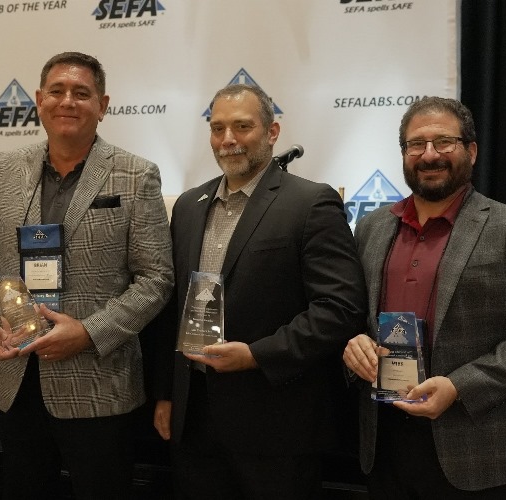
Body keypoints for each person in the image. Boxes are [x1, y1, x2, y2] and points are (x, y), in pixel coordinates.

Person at [0, 51, 174, 499]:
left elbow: (156, 279)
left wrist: (88, 332)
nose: (67, 101)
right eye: (56, 91)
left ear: (103, 105)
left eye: (81, 93)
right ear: (39, 101)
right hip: (15, 380)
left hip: (99, 385)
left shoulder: (137, 175)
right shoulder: (3, 168)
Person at [152, 83, 367, 499]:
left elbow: (339, 309)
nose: (228, 139)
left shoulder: (311, 202)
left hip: (275, 424)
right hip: (194, 421)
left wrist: (256, 355)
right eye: (217, 128)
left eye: (242, 126)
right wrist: (165, 394)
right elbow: (171, 307)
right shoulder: (188, 205)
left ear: (272, 132)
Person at [342, 96, 506, 498]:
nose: (429, 155)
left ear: (471, 151)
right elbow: (354, 319)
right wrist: (354, 345)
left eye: (444, 142)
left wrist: (459, 386)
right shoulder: (371, 228)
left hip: (480, 450)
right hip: (386, 442)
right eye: (416, 144)